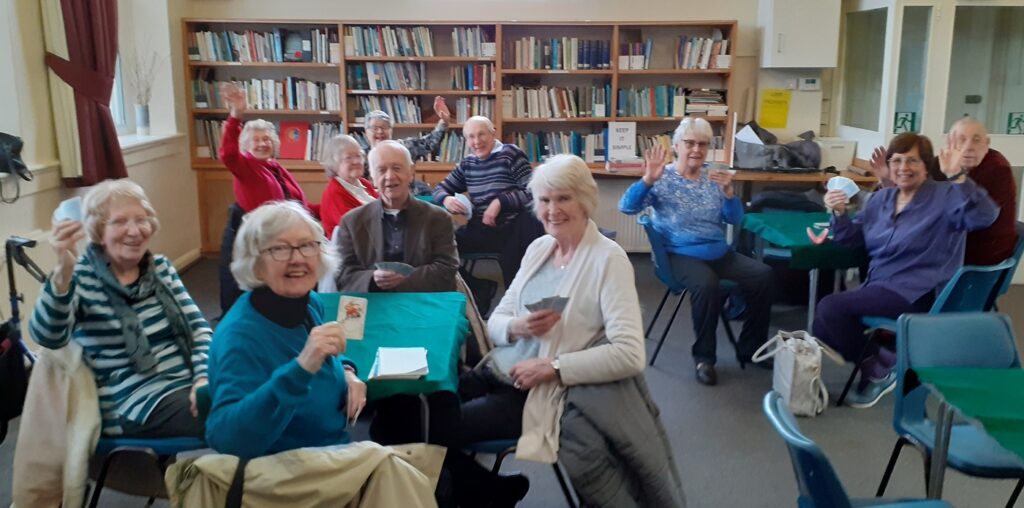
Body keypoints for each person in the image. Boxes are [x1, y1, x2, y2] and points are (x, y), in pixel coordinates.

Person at [477, 154, 683, 507]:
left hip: (539, 393)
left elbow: (630, 354)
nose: (552, 210)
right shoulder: (539, 248)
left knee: (428, 424)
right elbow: (493, 322)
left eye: (563, 198)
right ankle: (476, 489)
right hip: (502, 368)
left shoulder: (608, 260)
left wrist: (554, 367)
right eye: (544, 200)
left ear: (585, 201)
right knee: (417, 408)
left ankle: (472, 491)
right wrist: (517, 325)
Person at [814, 132, 998, 408]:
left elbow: (986, 216)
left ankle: (879, 368)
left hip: (920, 291)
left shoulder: (946, 196)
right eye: (896, 160)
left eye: (912, 160)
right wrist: (839, 213)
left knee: (830, 308)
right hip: (880, 286)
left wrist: (958, 177)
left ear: (926, 165)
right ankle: (883, 361)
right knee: (822, 328)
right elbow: (853, 241)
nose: (903, 168)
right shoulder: (880, 200)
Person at [29, 179, 211, 438]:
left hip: (189, 381)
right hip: (135, 401)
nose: (135, 231)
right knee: (240, 418)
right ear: (98, 231)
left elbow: (198, 330)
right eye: (120, 222)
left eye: (141, 219)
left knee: (258, 395)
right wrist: (63, 273)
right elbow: (48, 336)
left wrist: (203, 378)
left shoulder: (160, 268)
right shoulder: (80, 277)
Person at [619, 117, 775, 386]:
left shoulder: (713, 178)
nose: (696, 150)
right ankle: (704, 358)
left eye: (702, 144)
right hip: (678, 254)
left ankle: (751, 348)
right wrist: (647, 180)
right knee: (706, 284)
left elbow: (734, 219)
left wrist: (728, 193)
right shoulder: (662, 178)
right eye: (690, 143)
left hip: (717, 252)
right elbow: (627, 207)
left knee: (763, 275)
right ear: (677, 146)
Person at [205, 201, 367, 458]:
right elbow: (226, 438)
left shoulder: (308, 302)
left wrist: (347, 372)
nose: (298, 259)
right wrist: (302, 366)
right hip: (284, 469)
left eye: (306, 245)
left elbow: (320, 352)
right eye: (279, 249)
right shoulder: (239, 337)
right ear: (255, 262)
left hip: (332, 449)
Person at [217, 82, 317, 316]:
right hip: (261, 243)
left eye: (266, 139)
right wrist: (236, 115)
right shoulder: (245, 167)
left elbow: (297, 206)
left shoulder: (275, 167)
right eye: (256, 140)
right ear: (245, 145)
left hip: (282, 238)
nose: (263, 143)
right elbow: (227, 154)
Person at [432, 116, 545, 289]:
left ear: (493, 133)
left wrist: (499, 202)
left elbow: (533, 191)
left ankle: (519, 303)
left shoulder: (510, 154)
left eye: (481, 135)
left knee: (526, 227)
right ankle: (480, 289)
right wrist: (447, 199)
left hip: (513, 227)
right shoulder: (468, 163)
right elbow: (439, 189)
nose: (476, 141)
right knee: (437, 246)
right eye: (471, 137)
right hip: (482, 228)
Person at [334, 140, 458, 292]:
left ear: (411, 172)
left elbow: (447, 269)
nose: (390, 176)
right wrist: (372, 278)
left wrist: (406, 279)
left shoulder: (438, 218)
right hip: (373, 305)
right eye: (381, 170)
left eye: (397, 168)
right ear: (372, 177)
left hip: (421, 302)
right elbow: (342, 275)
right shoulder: (351, 222)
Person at [947, 117, 1018, 266]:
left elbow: (977, 219)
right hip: (958, 244)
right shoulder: (943, 164)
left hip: (982, 251)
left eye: (976, 140)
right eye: (962, 139)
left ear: (987, 144)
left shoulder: (997, 168)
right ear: (950, 143)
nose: (969, 147)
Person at [319, 134, 378, 241]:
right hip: (352, 250)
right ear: (334, 163)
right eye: (348, 158)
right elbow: (353, 229)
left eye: (359, 156)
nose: (356, 161)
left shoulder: (364, 184)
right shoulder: (334, 193)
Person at [362, 96, 452, 161]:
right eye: (375, 128)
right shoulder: (360, 157)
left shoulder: (403, 148)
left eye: (384, 127)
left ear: (391, 130)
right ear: (366, 132)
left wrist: (444, 121)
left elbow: (429, 143)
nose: (380, 131)